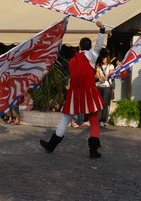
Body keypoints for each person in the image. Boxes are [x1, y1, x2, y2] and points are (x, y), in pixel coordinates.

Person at [40, 21, 106, 159]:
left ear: (79, 47)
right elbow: (99, 46)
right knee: (94, 120)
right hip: (89, 93)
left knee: (65, 119)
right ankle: (93, 151)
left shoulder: (72, 61)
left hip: (75, 93)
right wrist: (102, 30)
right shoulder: (92, 56)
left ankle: (51, 145)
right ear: (89, 47)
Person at [95, 53, 115, 127]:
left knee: (105, 104)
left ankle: (103, 120)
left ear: (108, 58)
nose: (103, 59)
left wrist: (103, 77)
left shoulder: (111, 66)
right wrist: (99, 76)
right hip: (99, 86)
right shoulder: (99, 65)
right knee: (98, 103)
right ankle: (97, 119)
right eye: (102, 58)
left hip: (107, 86)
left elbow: (110, 75)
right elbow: (96, 74)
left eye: (105, 58)